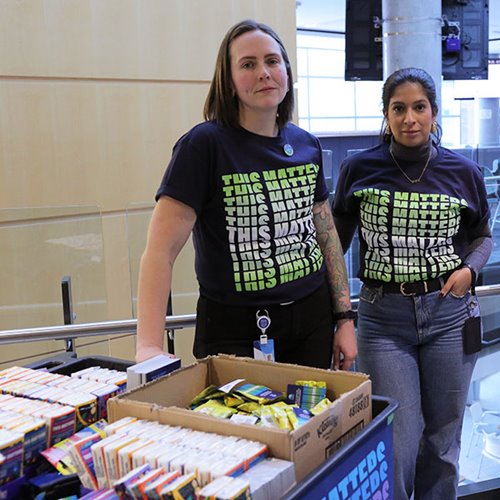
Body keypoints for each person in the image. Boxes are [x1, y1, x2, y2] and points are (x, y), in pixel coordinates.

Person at [135, 19, 357, 371]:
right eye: (248, 64)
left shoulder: (306, 145)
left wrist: (344, 319)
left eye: (272, 61)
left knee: (309, 424)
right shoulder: (203, 146)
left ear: (286, 70)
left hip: (312, 320)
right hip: (233, 329)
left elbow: (325, 236)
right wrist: (149, 345)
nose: (264, 73)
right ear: (229, 80)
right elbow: (160, 252)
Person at [332, 67, 492, 499]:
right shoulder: (358, 168)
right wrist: (339, 313)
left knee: (443, 436)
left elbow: (482, 234)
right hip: (384, 320)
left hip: (448, 314)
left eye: (419, 107)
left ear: (434, 112)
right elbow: (334, 246)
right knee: (397, 438)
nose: (409, 119)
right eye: (398, 108)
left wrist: (469, 270)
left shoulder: (464, 172)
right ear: (385, 114)